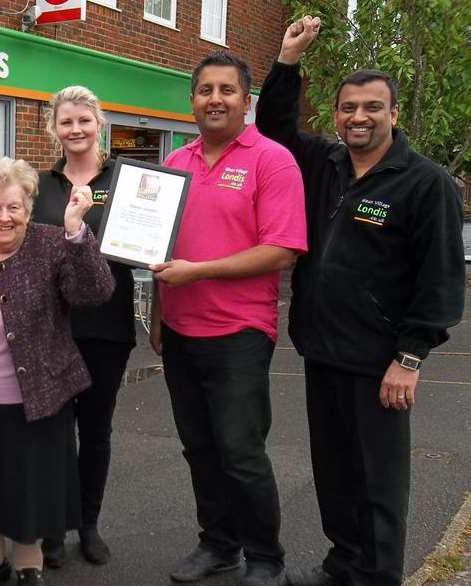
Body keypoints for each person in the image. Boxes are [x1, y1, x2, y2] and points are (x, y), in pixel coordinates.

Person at [256, 17, 466, 586]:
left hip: (380, 361)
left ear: (393, 114)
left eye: (372, 107)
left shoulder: (426, 184)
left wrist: (410, 357)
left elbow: (441, 282)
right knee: (335, 471)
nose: (358, 117)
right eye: (348, 107)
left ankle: (376, 575)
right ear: (336, 115)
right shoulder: (324, 164)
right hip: (323, 349)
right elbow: (273, 131)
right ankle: (343, 561)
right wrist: (287, 61)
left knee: (377, 481)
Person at [149, 50, 308, 586]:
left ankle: (266, 558)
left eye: (226, 90)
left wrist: (199, 273)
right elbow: (158, 249)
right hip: (179, 330)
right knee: (199, 447)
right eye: (205, 90)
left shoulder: (272, 160)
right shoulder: (175, 164)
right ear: (191, 100)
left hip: (239, 332)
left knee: (241, 453)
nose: (215, 99)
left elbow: (283, 249)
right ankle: (218, 544)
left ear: (246, 101)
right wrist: (155, 317)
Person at [0, 157, 115, 586]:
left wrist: (78, 232)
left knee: (30, 488)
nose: (4, 217)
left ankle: (28, 566)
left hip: (39, 395)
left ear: (29, 209)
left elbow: (96, 292)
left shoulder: (53, 242)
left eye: (14, 208)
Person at [32, 85, 135, 567]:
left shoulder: (126, 180)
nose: (75, 129)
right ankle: (52, 527)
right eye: (66, 122)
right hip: (51, 327)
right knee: (53, 432)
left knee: (96, 430)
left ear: (100, 124)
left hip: (108, 326)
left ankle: (88, 525)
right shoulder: (40, 185)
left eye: (84, 121)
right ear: (55, 128)